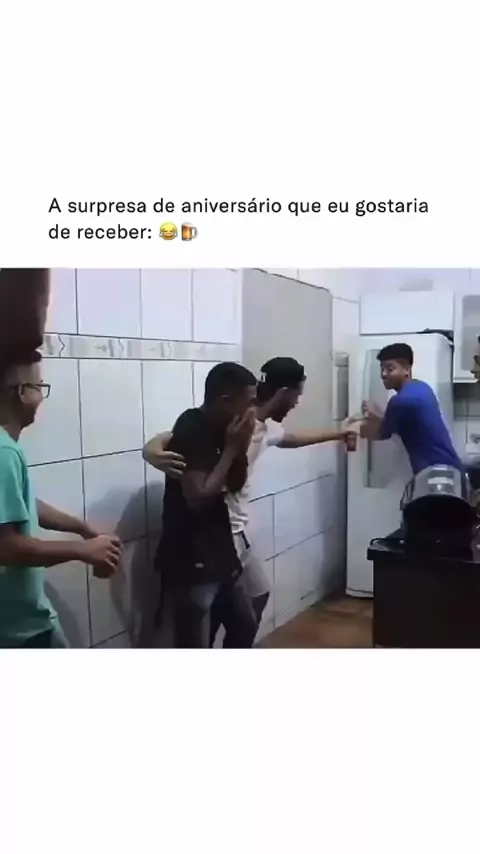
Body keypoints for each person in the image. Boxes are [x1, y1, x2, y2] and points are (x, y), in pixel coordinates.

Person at [145, 357, 357, 645]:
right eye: (297, 395)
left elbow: (290, 438)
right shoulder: (230, 424)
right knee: (203, 623)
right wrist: (151, 449)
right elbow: (183, 446)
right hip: (206, 541)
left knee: (251, 603)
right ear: (283, 393)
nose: (297, 404)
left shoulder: (252, 426)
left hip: (229, 536)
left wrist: (339, 433)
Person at [0, 351, 122, 648]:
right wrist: (82, 550)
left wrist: (80, 527)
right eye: (40, 387)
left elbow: (21, 505)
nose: (42, 398)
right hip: (20, 628)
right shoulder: (5, 452)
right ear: (22, 393)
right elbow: (6, 547)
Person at [154, 361, 260, 649]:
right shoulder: (192, 428)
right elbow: (198, 497)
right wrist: (231, 449)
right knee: (195, 641)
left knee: (245, 625)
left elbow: (235, 485)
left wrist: (241, 447)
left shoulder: (228, 428)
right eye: (249, 401)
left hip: (219, 547)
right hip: (191, 554)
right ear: (225, 400)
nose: (253, 409)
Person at [360, 342, 462, 474]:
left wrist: (352, 428)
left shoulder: (400, 401)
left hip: (435, 474)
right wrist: (374, 418)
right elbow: (396, 424)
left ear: (407, 370)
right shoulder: (422, 388)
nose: (384, 374)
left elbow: (379, 434)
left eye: (390, 369)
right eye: (382, 369)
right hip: (451, 470)